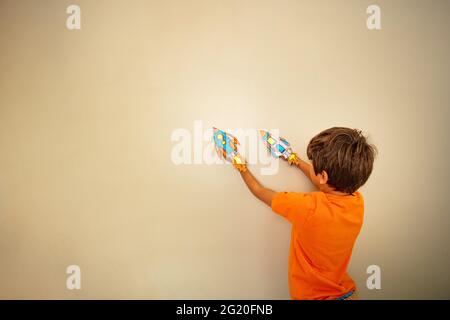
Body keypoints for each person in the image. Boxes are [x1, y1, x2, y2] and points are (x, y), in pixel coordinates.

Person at [234, 127, 376, 300]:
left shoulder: (307, 207)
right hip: (346, 293)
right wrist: (292, 158)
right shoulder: (357, 202)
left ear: (323, 175)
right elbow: (326, 184)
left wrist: (238, 162)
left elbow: (259, 191)